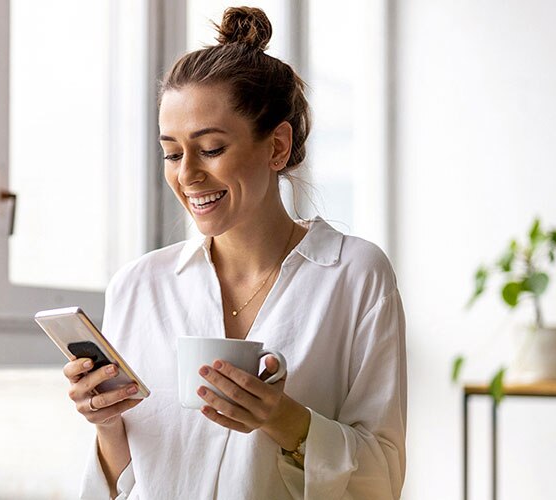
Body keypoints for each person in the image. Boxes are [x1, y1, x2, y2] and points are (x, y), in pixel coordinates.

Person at [62, 6, 407, 499]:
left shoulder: (354, 275)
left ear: (278, 146)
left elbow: (383, 480)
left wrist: (284, 419)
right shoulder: (139, 286)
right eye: (173, 153)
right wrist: (106, 424)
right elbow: (122, 484)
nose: (187, 175)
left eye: (211, 148)